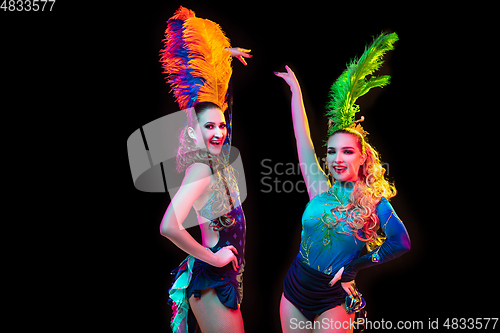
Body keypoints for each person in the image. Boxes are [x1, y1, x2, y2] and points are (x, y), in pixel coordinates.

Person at [274, 32, 411, 333]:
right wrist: (296, 92)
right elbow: (302, 139)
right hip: (294, 291)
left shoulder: (375, 202)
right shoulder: (319, 188)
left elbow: (401, 242)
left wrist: (353, 268)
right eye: (332, 151)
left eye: (347, 151)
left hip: (333, 297)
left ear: (363, 158)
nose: (337, 158)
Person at [158, 6, 251, 333]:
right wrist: (212, 259)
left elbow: (216, 98)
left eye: (222, 126)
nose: (218, 132)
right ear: (193, 131)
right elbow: (169, 225)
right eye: (208, 126)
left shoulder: (218, 159)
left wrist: (225, 56)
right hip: (212, 279)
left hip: (222, 279)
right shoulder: (201, 169)